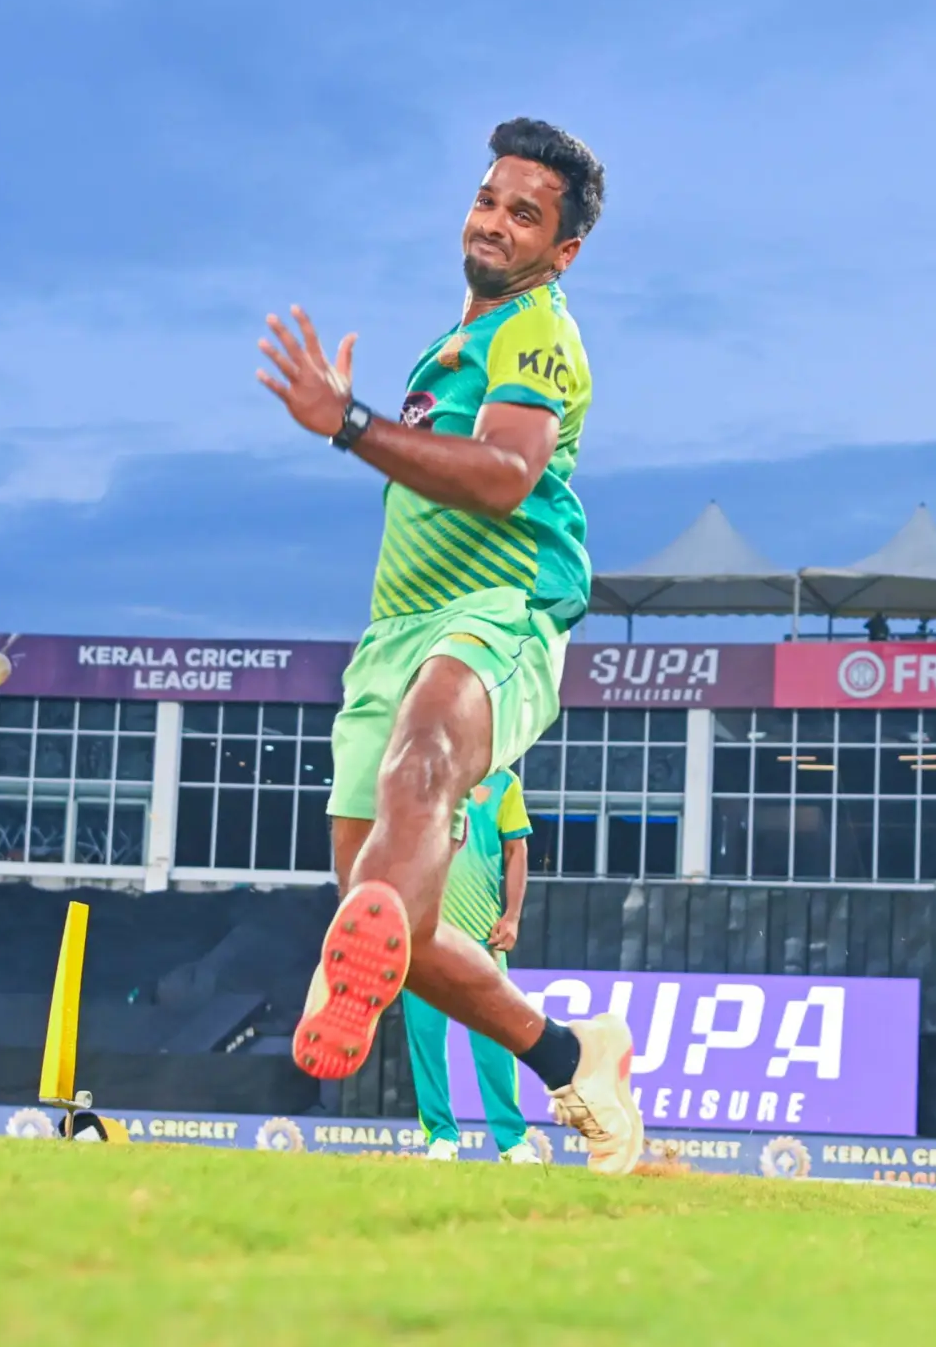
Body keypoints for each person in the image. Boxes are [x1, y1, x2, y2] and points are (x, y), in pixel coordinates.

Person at [256, 117, 642, 1176]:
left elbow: (507, 474)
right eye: (487, 199)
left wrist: (348, 424)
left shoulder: (537, 331)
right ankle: (571, 1055)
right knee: (390, 917)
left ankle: (357, 967)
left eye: (526, 214)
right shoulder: (454, 342)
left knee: (424, 758)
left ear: (563, 250)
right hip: (392, 630)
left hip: (501, 606)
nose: (495, 223)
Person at [407, 770, 542, 1164]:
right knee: (426, 1040)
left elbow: (516, 850)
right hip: (424, 934)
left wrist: (512, 917)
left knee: (495, 1041)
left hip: (482, 936)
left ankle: (511, 1140)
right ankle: (441, 1137)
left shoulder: (505, 782)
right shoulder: (424, 770)